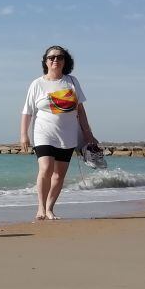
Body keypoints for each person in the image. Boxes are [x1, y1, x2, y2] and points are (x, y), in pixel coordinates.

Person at [19, 45, 98, 221]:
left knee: (59, 175)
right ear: (45, 61)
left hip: (68, 135)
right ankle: (40, 207)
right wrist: (24, 134)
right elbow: (27, 111)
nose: (55, 60)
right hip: (43, 133)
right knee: (46, 169)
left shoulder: (71, 81)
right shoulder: (37, 84)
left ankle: (50, 208)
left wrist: (88, 133)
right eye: (51, 57)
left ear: (65, 61)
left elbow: (80, 110)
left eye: (60, 57)